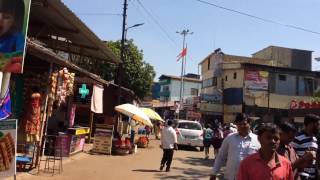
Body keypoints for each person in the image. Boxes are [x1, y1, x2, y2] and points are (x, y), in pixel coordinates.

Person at [210, 113, 260, 180]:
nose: (242, 126)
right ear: (236, 125)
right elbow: (221, 156)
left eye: (244, 124)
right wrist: (214, 173)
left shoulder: (257, 140)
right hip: (230, 177)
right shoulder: (230, 138)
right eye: (239, 124)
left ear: (249, 123)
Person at [291, 114, 320, 180]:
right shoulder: (297, 138)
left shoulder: (315, 139)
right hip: (300, 176)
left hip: (313, 176)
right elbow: (290, 157)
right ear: (310, 124)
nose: (319, 127)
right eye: (317, 124)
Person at [0, 0, 26, 73]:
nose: (0, 20)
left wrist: (5, 56)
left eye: (6, 17)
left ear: (14, 21)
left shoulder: (17, 37)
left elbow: (22, 55)